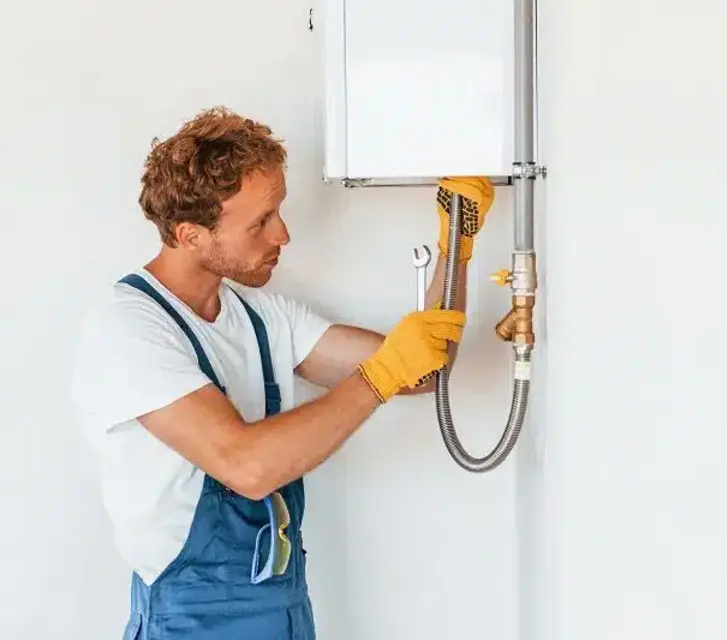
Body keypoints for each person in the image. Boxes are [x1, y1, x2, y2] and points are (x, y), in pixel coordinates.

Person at [70, 106, 494, 640]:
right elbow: (245, 466)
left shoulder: (261, 316)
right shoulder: (129, 330)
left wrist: (457, 242)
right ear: (190, 234)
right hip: (191, 621)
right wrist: (380, 376)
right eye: (260, 221)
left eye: (279, 212)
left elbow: (421, 372)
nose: (283, 235)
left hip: (284, 609)